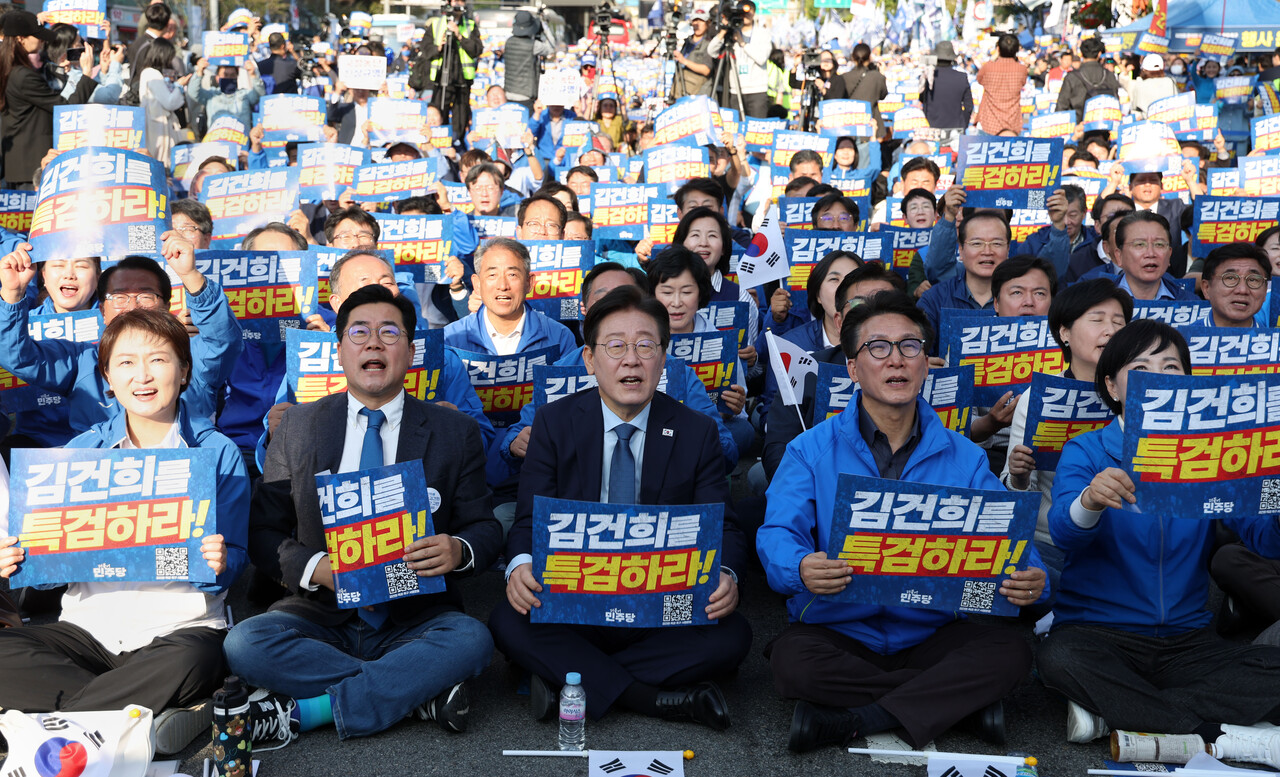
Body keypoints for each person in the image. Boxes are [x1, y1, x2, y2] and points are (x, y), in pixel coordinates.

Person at [758, 291, 1048, 753]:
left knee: (1010, 654)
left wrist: (1033, 577)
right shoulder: (809, 449)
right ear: (853, 368)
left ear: (926, 364)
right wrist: (799, 567)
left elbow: (1011, 538)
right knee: (794, 663)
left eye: (910, 346)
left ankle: (856, 719)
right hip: (840, 627)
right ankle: (957, 705)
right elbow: (778, 533)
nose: (896, 360)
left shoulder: (965, 455)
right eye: (878, 347)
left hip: (933, 629)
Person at [224, 284, 502, 740]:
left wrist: (459, 549)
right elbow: (263, 532)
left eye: (389, 333)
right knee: (244, 644)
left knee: (472, 640)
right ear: (339, 352)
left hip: (417, 617)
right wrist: (319, 568)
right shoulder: (297, 425)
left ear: (411, 351)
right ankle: (418, 694)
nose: (374, 343)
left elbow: (485, 528)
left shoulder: (456, 431)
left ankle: (309, 710)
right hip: (319, 614)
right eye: (359, 332)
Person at [490, 284, 752, 727]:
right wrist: (519, 566)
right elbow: (529, 519)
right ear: (590, 359)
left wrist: (725, 574)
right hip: (576, 600)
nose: (631, 359)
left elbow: (723, 526)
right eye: (615, 346)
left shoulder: (696, 431)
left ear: (663, 358)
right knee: (507, 620)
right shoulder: (555, 423)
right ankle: (653, 697)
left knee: (733, 636)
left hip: (662, 602)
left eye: (645, 345)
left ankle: (573, 683)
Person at [0, 308, 250, 755]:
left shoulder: (216, 452)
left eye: (158, 360)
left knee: (199, 659)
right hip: (86, 632)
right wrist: (22, 558)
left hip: (181, 630)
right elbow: (52, 570)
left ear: (184, 370)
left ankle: (50, 730)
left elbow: (234, 561)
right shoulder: (81, 451)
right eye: (126, 362)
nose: (143, 375)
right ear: (108, 379)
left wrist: (221, 561)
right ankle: (138, 716)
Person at [1039, 320, 1280, 762]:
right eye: (1142, 367)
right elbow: (1064, 533)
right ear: (1112, 386)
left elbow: (1264, 540)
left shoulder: (1215, 455)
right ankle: (1218, 734)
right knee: (1059, 656)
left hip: (1187, 641)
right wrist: (1091, 500)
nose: (1159, 376)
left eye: (1171, 366)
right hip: (1099, 633)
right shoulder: (1088, 451)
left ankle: (1120, 711)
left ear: (1188, 380)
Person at [0, 234, 242, 436]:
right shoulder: (81, 360)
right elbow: (18, 357)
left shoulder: (192, 356)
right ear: (102, 311)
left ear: (167, 306)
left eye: (146, 295)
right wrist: (13, 293)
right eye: (119, 296)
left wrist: (190, 275)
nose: (132, 305)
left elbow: (223, 340)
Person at [1001, 279, 1132, 599]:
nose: (1110, 330)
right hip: (1053, 540)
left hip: (1128, 535)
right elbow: (1016, 491)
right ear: (1064, 333)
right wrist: (1019, 474)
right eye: (1097, 319)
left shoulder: (1138, 394)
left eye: (1118, 322)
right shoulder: (1036, 399)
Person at [0, 10, 96, 188]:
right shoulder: (23, 76)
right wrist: (87, 75)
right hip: (32, 166)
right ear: (21, 38)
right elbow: (66, 108)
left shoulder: (10, 69)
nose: (42, 40)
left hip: (21, 164)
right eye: (37, 36)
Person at [442, 237, 577, 362]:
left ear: (529, 283)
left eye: (512, 275)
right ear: (477, 284)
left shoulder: (559, 337)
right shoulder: (450, 339)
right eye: (492, 275)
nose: (502, 286)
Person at [918, 210, 1012, 354]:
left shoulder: (1025, 298)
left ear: (1008, 249)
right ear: (961, 250)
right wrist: (922, 363)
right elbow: (916, 351)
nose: (987, 251)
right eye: (977, 243)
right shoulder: (934, 299)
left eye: (997, 243)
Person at [412, 0, 483, 140]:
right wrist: (439, 47)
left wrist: (459, 36)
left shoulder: (470, 25)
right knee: (439, 112)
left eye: (460, 1)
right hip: (440, 80)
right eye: (454, 0)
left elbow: (477, 50)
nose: (457, 4)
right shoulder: (436, 25)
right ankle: (438, 141)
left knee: (461, 115)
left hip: (462, 80)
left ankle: (456, 142)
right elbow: (425, 51)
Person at [705, 0, 772, 118]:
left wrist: (742, 43)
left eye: (748, 11)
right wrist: (724, 31)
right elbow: (711, 51)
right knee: (736, 130)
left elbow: (761, 58)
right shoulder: (731, 32)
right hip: (735, 90)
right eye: (742, 11)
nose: (745, 15)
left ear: (754, 13)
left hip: (757, 90)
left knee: (754, 131)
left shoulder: (763, 33)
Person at [136, 36, 192, 164]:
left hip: (156, 125)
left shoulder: (148, 72)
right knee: (162, 162)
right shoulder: (152, 74)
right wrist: (179, 86)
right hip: (158, 127)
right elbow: (170, 102)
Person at [1197, 242, 1271, 328]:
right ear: (1206, 288)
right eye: (1230, 278)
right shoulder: (1183, 338)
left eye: (1252, 280)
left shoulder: (1275, 340)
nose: (1242, 290)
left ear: (1265, 291)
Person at [187, 53, 265, 130]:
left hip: (240, 138)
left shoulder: (245, 95)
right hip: (216, 138)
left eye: (232, 75)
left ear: (237, 77)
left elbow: (260, 94)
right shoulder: (211, 95)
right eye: (225, 75)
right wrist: (199, 72)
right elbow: (193, 92)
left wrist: (253, 74)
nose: (229, 78)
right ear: (217, 78)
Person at [976, 34, 1028, 136]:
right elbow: (1023, 82)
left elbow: (979, 79)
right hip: (1012, 123)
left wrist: (992, 58)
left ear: (998, 49)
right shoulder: (1022, 70)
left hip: (990, 123)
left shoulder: (988, 68)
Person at [1056, 37, 1120, 121]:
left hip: (1079, 127)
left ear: (1081, 54)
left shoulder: (1071, 77)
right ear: (1099, 54)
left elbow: (1061, 107)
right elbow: (1115, 101)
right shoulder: (1109, 75)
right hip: (1104, 127)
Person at [502, 10, 552, 112]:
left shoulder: (509, 42)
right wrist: (544, 26)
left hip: (509, 93)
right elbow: (551, 47)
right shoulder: (533, 45)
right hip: (526, 96)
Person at [920, 42, 973, 138]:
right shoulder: (961, 77)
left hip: (932, 129)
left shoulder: (928, 78)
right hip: (956, 130)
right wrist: (962, 124)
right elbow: (968, 106)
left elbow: (922, 100)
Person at [839, 43, 889, 138]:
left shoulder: (843, 78)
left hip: (849, 127)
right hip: (871, 127)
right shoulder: (876, 77)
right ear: (869, 58)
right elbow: (883, 95)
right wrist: (882, 74)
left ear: (853, 57)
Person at [1118, 54, 1177, 119]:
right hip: (1167, 122)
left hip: (1145, 123)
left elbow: (1123, 78)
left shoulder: (1138, 84)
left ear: (1143, 69)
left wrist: (1124, 68)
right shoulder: (1170, 82)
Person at [672, 8, 714, 99]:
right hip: (680, 90)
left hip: (698, 94)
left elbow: (706, 70)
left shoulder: (709, 43)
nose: (697, 24)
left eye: (701, 20)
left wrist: (684, 61)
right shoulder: (688, 41)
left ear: (707, 23)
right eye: (695, 20)